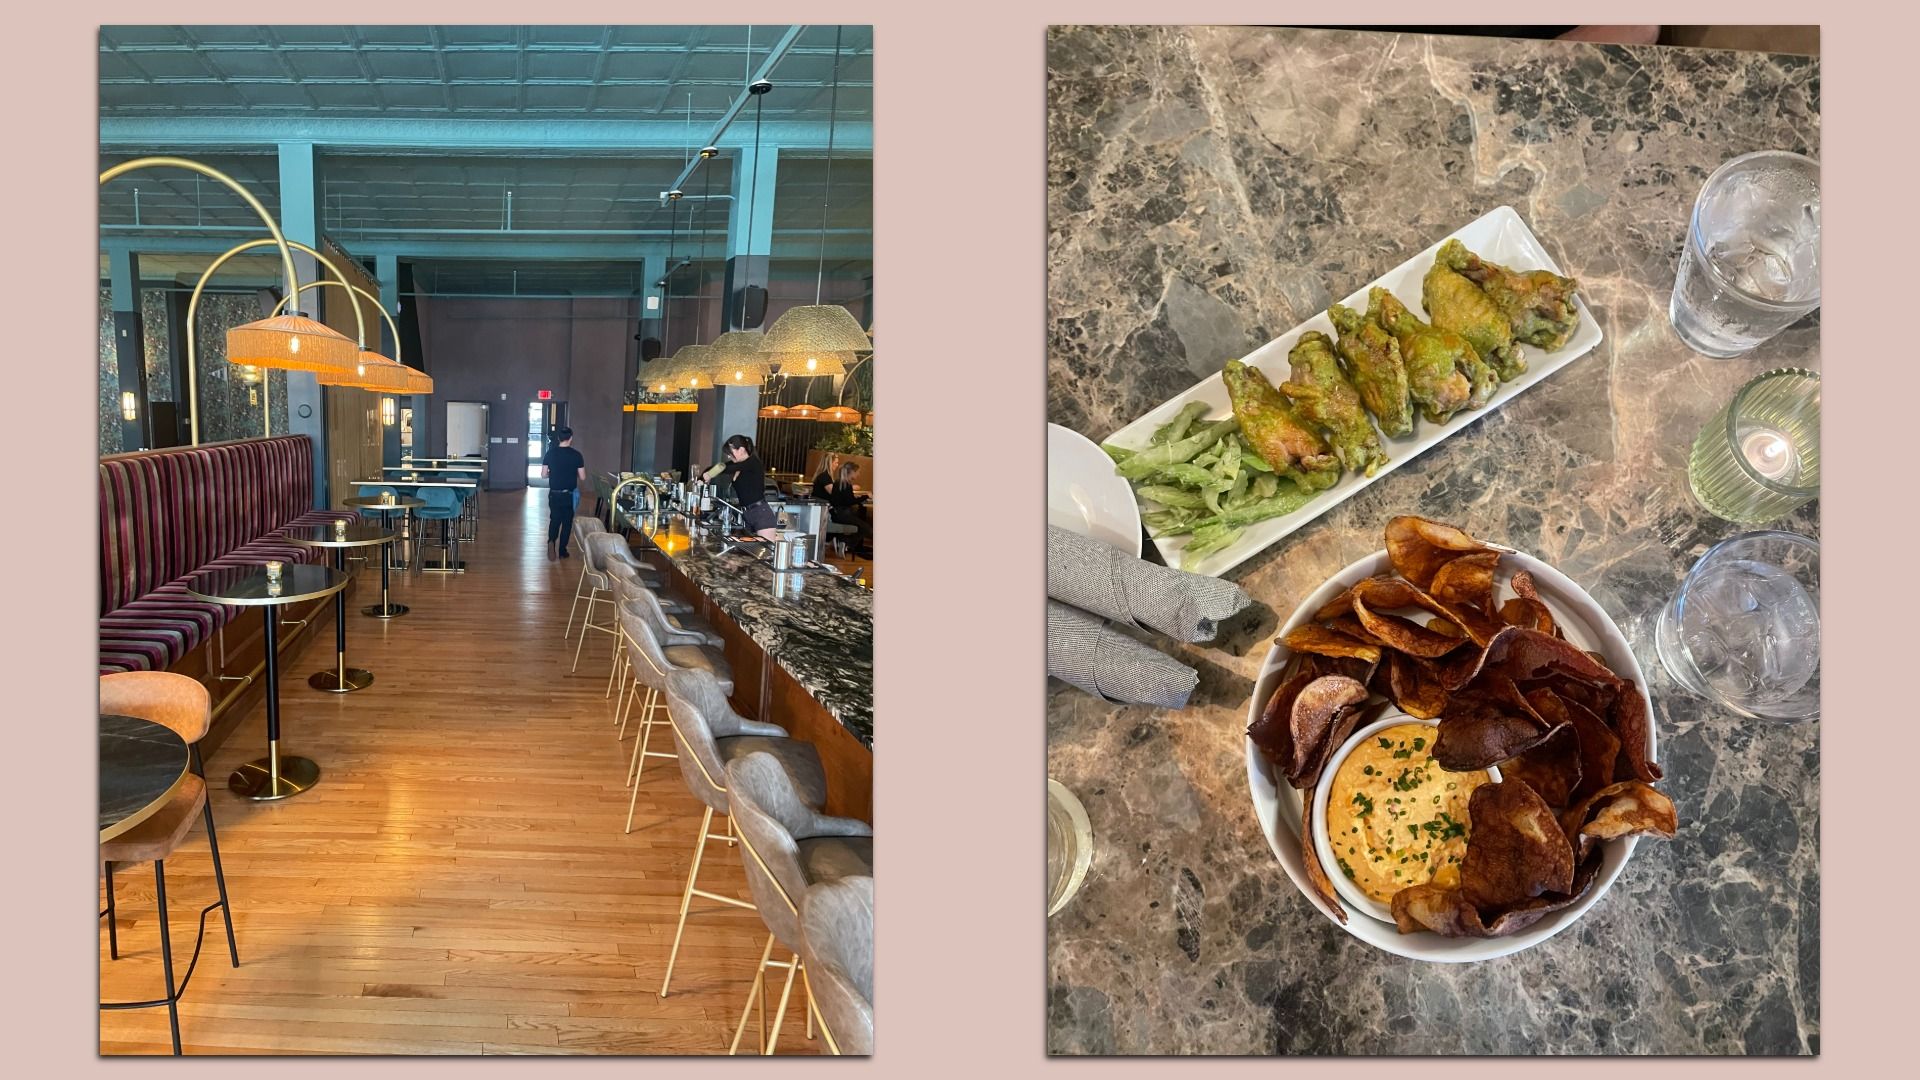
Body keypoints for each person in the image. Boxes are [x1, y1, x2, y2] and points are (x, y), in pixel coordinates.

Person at [703, 434, 779, 542]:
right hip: (747, 514)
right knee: (749, 552)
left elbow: (726, 469)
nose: (729, 456)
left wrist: (710, 474)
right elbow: (721, 466)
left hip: (761, 513)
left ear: (741, 450)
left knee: (765, 549)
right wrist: (705, 474)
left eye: (731, 453)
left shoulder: (753, 462)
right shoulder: (738, 464)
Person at [541, 426, 586, 559]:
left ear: (559, 438)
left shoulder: (550, 453)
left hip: (554, 493)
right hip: (569, 494)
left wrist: (553, 474)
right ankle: (562, 551)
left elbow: (543, 475)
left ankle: (551, 541)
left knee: (555, 519)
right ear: (570, 438)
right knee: (567, 522)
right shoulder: (577, 455)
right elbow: (583, 477)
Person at [813, 460, 873, 557]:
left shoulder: (838, 482)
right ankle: (846, 543)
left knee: (861, 525)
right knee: (867, 529)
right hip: (843, 515)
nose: (859, 475)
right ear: (852, 472)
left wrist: (859, 497)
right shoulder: (846, 484)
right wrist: (866, 496)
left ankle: (844, 542)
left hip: (836, 514)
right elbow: (850, 501)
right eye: (858, 472)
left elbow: (846, 499)